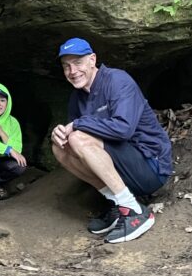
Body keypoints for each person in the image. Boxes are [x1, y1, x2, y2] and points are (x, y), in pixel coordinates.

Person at [51, 37, 172, 244]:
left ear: (92, 60)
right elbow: (75, 139)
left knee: (78, 138)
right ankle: (117, 202)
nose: (72, 71)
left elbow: (123, 129)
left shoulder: (117, 80)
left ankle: (134, 212)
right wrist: (61, 133)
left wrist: (78, 125)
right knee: (60, 147)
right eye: (66, 66)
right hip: (124, 171)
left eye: (78, 63)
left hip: (150, 166)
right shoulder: (77, 98)